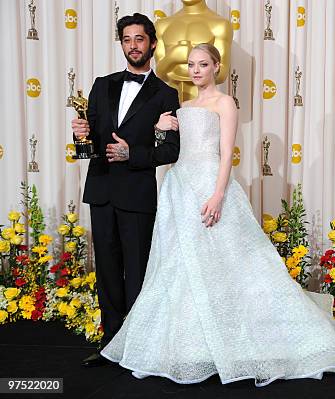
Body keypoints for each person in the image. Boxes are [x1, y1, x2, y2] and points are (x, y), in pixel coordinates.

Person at [99, 43, 335, 386]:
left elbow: (226, 155)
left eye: (203, 64)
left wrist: (218, 194)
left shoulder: (226, 103)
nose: (196, 70)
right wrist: (160, 128)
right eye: (192, 64)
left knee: (231, 264)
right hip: (179, 187)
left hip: (211, 185)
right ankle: (189, 347)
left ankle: (240, 340)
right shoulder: (183, 106)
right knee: (178, 265)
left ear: (216, 67)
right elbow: (170, 149)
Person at [71, 13, 181, 367]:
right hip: (101, 190)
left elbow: (170, 150)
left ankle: (138, 347)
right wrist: (81, 138)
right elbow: (88, 147)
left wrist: (133, 154)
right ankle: (110, 345)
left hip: (137, 195)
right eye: (126, 39)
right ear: (121, 44)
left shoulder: (166, 94)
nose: (132, 45)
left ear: (152, 43)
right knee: (106, 270)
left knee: (136, 272)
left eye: (139, 39)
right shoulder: (102, 85)